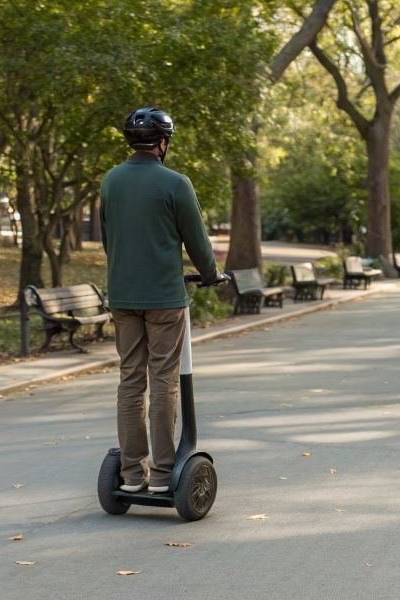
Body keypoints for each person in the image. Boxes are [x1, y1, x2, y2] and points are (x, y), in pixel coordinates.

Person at [100, 107, 227, 494]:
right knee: (163, 382)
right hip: (164, 300)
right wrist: (210, 274)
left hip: (122, 296)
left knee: (130, 381)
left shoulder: (111, 180)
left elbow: (109, 238)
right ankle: (162, 474)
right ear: (162, 142)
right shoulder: (176, 183)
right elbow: (197, 241)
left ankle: (131, 474)